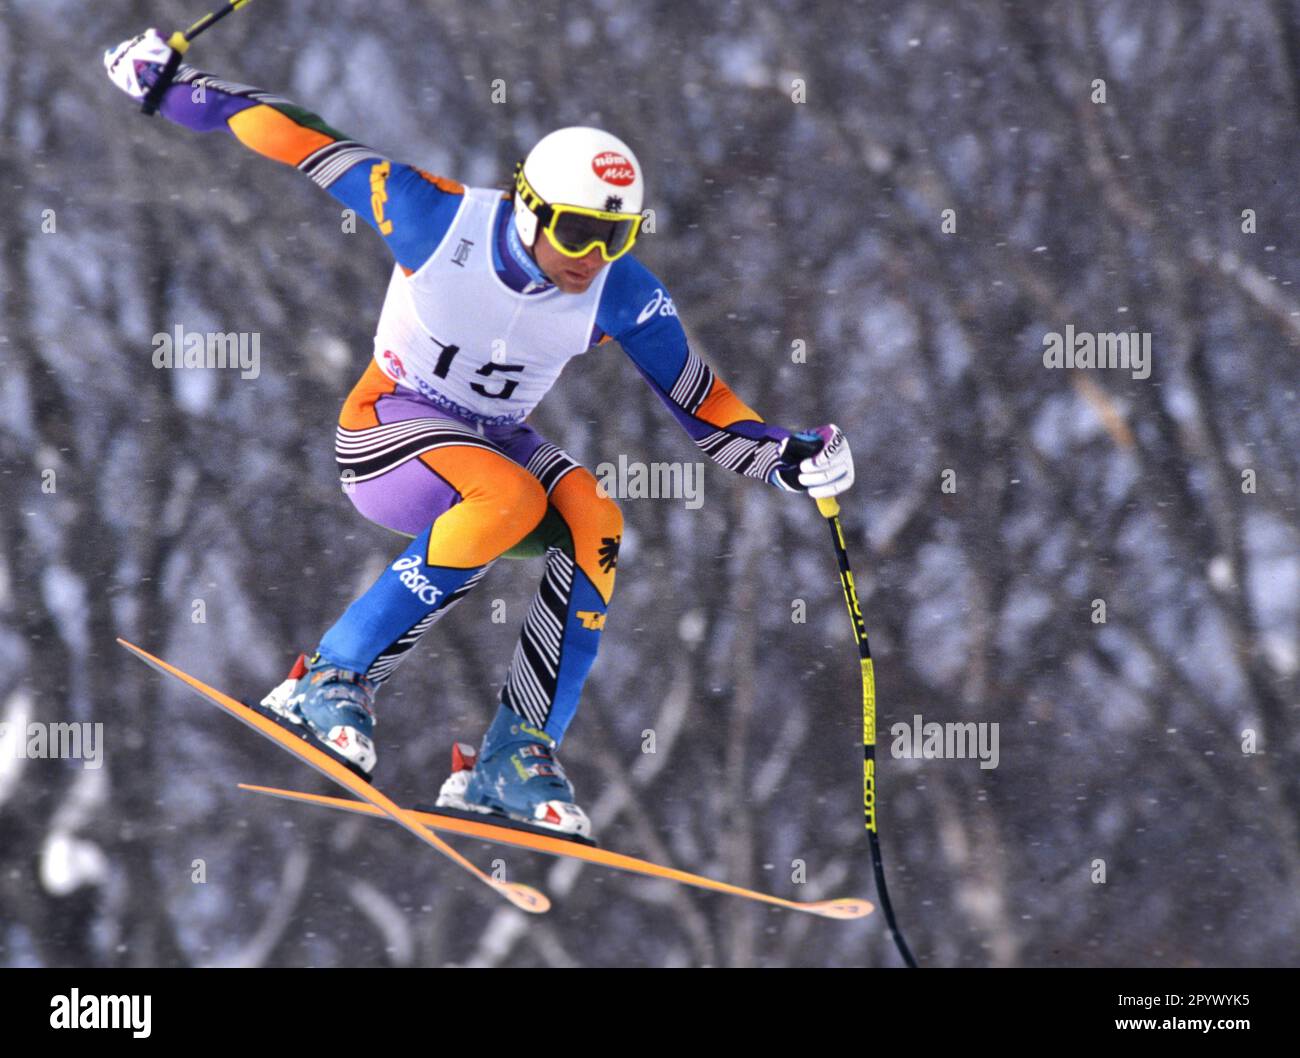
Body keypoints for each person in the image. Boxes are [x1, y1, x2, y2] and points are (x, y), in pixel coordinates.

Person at [104, 29, 855, 839]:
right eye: (576, 232)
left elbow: (702, 403)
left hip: (491, 442)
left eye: (617, 238)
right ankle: (332, 676)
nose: (592, 257)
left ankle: (515, 753)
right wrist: (173, 88)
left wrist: (789, 458)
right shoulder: (438, 218)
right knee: (509, 491)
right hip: (387, 429)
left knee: (597, 520)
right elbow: (300, 136)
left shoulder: (619, 292)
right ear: (530, 207)